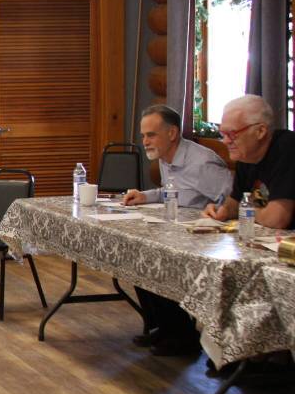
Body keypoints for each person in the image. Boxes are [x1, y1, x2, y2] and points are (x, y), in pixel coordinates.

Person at [121, 104, 233, 356]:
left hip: (207, 237)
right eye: (143, 136)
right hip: (178, 229)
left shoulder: (202, 162)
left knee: (158, 259)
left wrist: (216, 213)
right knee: (138, 254)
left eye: (151, 135)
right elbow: (170, 193)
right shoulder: (165, 157)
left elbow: (231, 198)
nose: (145, 141)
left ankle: (182, 335)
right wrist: (145, 196)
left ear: (172, 133)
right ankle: (165, 327)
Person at [203, 94, 295, 230]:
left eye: (232, 134)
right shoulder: (246, 155)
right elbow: (235, 201)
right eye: (223, 134)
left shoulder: (288, 147)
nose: (226, 141)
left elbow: (276, 219)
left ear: (260, 131)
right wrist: (223, 210)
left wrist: (245, 209)